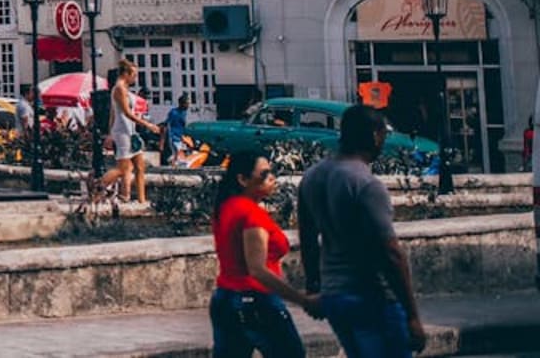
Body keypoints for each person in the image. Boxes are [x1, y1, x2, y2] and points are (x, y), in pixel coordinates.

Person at [299, 103, 426, 357]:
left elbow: (307, 238)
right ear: (374, 135)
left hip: (335, 296)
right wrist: (412, 315)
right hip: (372, 297)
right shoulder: (366, 184)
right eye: (383, 134)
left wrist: (314, 286)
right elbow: (391, 253)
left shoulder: (312, 177)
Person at [211, 153, 319, 358]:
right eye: (264, 174)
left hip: (226, 298)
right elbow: (257, 270)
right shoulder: (252, 215)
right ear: (243, 180)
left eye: (272, 172)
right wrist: (302, 299)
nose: (272, 178)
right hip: (256, 300)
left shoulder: (226, 207)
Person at [96, 60, 160, 204]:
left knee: (139, 167)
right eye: (134, 75)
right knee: (122, 169)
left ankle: (142, 200)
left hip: (130, 132)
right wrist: (147, 125)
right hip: (123, 132)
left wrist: (109, 132)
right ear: (126, 74)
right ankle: (98, 186)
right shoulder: (119, 89)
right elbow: (125, 113)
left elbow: (113, 113)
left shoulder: (122, 88)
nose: (135, 78)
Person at [166, 94, 192, 167]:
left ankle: (174, 164)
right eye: (187, 103)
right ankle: (172, 165)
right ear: (181, 103)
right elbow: (168, 124)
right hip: (173, 136)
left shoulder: (184, 112)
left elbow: (183, 123)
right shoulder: (173, 112)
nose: (188, 106)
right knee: (176, 151)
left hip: (180, 136)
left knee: (179, 152)